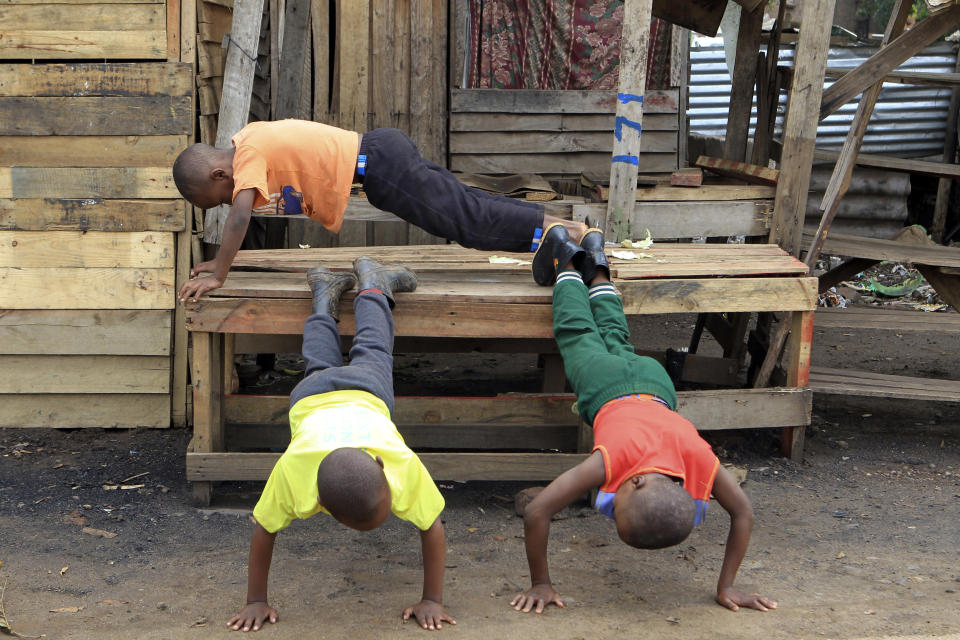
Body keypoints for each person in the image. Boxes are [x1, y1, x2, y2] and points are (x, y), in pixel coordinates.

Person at [511, 224, 778, 615]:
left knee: (617, 336)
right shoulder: (613, 460)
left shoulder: (700, 461)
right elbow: (538, 511)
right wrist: (541, 583)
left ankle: (597, 263)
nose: (609, 501)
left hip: (656, 381)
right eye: (615, 505)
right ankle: (565, 260)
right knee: (578, 332)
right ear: (634, 482)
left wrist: (729, 585)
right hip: (605, 385)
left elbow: (743, 513)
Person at [227, 256, 455, 633]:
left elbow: (265, 528)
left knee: (373, 347)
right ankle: (342, 289)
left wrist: (257, 600)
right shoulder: (395, 463)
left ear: (316, 501)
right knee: (326, 358)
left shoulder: (383, 461)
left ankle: (361, 288)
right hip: (317, 396)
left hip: (358, 392)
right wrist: (431, 598)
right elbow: (432, 526)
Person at [173, 120, 584, 302]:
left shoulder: (248, 158)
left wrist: (220, 273)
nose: (232, 201)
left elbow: (242, 216)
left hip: (382, 167)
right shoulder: (249, 137)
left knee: (466, 222)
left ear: (218, 172)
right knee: (467, 206)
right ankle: (566, 229)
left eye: (222, 197)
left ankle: (555, 238)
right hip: (381, 155)